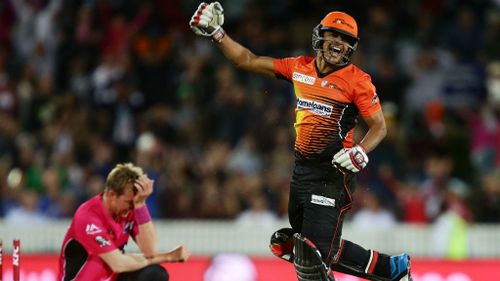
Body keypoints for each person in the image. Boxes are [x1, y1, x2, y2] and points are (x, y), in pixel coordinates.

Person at [190, 3, 412, 281]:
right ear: (320, 35)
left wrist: (359, 151)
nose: (339, 44)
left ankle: (393, 269)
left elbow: (379, 127)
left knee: (315, 250)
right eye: (334, 35)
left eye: (346, 40)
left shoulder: (359, 81)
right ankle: (388, 269)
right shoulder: (299, 67)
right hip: (302, 172)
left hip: (333, 173)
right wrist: (217, 33)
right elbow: (246, 60)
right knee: (313, 249)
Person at [58, 163, 191, 281]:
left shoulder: (129, 209)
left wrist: (141, 205)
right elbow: (118, 264)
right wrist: (168, 257)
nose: (131, 208)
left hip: (110, 278)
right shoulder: (88, 216)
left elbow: (150, 251)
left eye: (135, 202)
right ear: (111, 195)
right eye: (128, 202)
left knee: (155, 274)